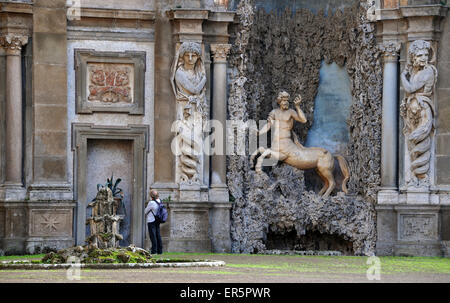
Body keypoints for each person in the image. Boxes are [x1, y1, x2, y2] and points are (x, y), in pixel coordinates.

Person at [145, 189, 163, 254]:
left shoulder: (151, 203)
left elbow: (145, 211)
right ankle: (160, 250)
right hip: (157, 220)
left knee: (153, 236)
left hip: (151, 220)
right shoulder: (160, 201)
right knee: (158, 235)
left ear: (151, 195)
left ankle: (154, 251)